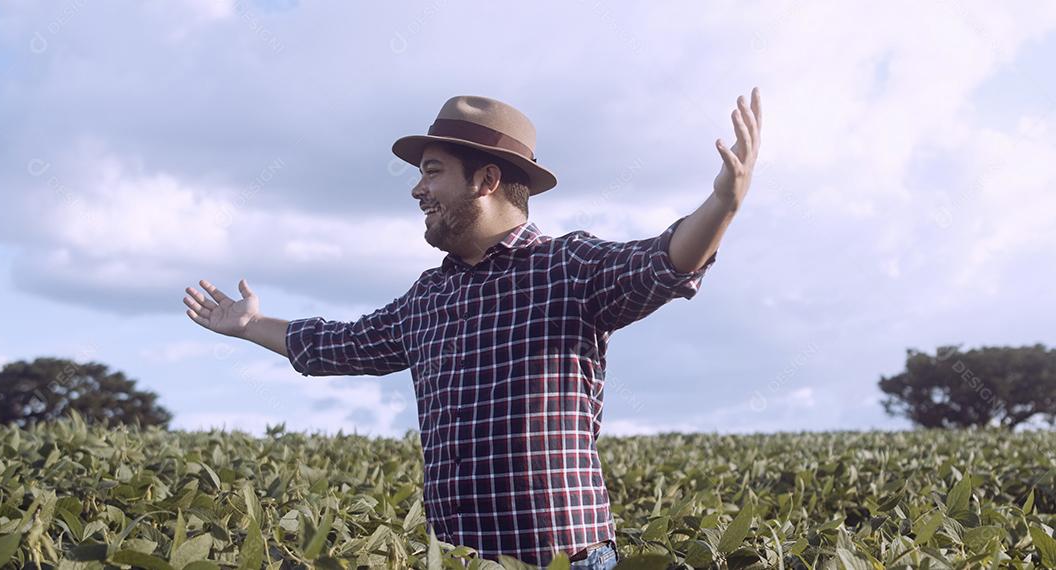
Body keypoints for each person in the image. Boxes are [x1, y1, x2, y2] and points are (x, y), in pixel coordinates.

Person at [183, 90, 762, 568]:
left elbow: (663, 263)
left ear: (485, 180)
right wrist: (252, 324)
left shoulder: (568, 268)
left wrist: (722, 205)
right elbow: (339, 345)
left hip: (560, 558)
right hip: (459, 559)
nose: (417, 189)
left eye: (432, 172)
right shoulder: (429, 297)